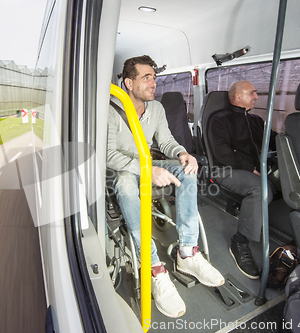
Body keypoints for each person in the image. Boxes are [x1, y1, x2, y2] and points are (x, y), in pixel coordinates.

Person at [107, 55, 224, 318]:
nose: (153, 83)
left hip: (149, 163)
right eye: (146, 77)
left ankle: (187, 252)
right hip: (124, 170)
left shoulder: (156, 109)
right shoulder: (110, 110)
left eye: (154, 78)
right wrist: (148, 170)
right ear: (128, 83)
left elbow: (167, 140)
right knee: (126, 184)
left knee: (187, 170)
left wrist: (183, 153)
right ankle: (153, 268)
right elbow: (108, 155)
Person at [208, 81, 277, 280]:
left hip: (253, 169)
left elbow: (274, 139)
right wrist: (252, 169)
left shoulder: (255, 120)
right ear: (237, 97)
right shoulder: (219, 119)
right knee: (260, 189)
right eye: (252, 93)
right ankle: (240, 241)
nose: (256, 96)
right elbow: (222, 153)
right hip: (225, 169)